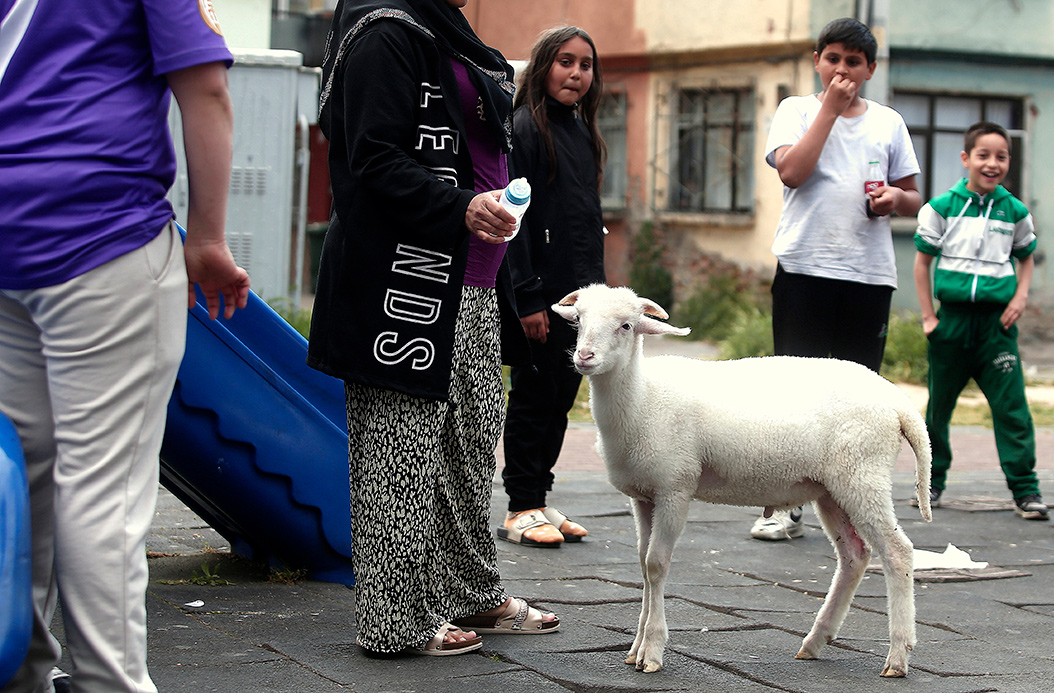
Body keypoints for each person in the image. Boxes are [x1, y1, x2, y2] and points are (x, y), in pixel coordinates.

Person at [0, 0, 251, 689]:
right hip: (97, 227)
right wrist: (206, 236)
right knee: (101, 486)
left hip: (6, 236)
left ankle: (22, 670)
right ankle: (109, 682)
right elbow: (203, 85)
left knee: (23, 480)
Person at [308, 0, 560, 657]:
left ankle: (470, 589)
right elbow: (372, 158)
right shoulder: (386, 31)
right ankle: (396, 621)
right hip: (404, 283)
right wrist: (459, 204)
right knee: (402, 457)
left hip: (470, 279)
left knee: (467, 448)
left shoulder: (446, 29)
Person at [753, 16, 922, 540]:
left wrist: (896, 200)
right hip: (805, 267)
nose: (842, 70)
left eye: (854, 61)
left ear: (871, 69)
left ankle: (849, 498)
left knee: (857, 394)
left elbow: (915, 196)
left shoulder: (889, 122)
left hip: (868, 274)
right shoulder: (796, 110)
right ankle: (782, 503)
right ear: (817, 60)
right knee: (795, 390)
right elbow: (793, 173)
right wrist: (828, 110)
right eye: (833, 59)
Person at [498, 26, 606, 548]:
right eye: (566, 62)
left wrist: (596, 297)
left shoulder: (583, 133)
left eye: (585, 65)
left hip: (580, 297)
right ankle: (520, 505)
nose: (577, 73)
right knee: (534, 396)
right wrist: (529, 296)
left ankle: (540, 496)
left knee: (562, 395)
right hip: (540, 296)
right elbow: (513, 219)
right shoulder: (524, 128)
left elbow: (583, 222)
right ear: (543, 67)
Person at [913, 122, 1049, 521]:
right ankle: (931, 484)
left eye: (1001, 156)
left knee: (1012, 409)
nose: (992, 164)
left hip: (996, 329)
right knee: (938, 409)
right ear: (966, 159)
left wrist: (1020, 296)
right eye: (983, 155)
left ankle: (1026, 490)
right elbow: (922, 264)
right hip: (950, 325)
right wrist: (928, 318)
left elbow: (1026, 258)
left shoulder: (1015, 211)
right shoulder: (942, 208)